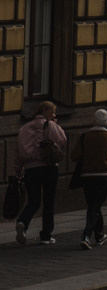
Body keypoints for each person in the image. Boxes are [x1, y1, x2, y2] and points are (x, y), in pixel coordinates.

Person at [14, 102, 64, 246]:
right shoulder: (50, 125)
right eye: (53, 112)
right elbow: (62, 140)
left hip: (31, 169)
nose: (54, 115)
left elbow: (18, 153)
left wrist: (18, 171)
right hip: (49, 167)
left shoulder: (24, 128)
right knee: (49, 202)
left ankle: (23, 222)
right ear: (48, 112)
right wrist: (55, 125)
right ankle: (46, 235)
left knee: (33, 201)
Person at [73, 107, 107, 249]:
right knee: (96, 206)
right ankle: (86, 235)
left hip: (87, 175)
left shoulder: (85, 136)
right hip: (104, 175)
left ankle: (99, 234)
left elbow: (75, 156)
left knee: (93, 205)